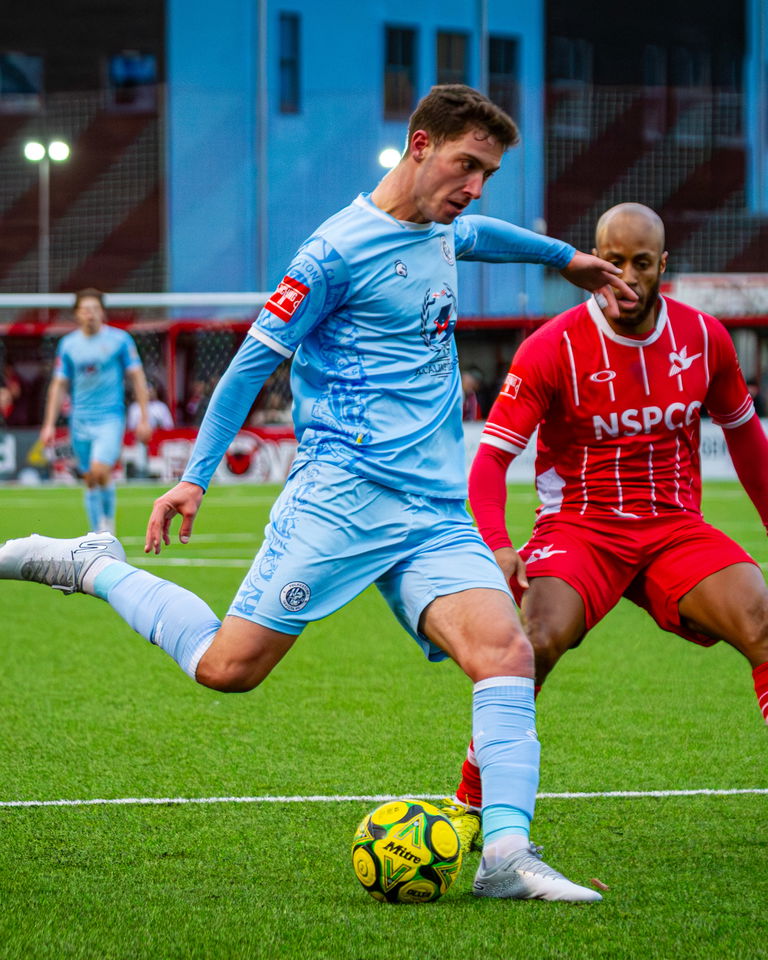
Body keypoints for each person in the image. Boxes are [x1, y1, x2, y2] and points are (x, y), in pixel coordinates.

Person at [0, 85, 636, 902]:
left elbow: (476, 235)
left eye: (488, 171)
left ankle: (506, 855)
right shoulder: (333, 252)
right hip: (339, 501)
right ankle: (91, 564)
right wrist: (192, 477)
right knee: (227, 669)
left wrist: (566, 260)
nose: (476, 185)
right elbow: (251, 365)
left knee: (506, 653)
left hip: (431, 511)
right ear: (419, 144)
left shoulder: (442, 228)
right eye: (467, 164)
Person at [448, 202, 768, 816]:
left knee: (761, 621)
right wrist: (497, 542)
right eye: (613, 261)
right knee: (532, 641)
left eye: (640, 263)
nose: (625, 276)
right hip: (580, 528)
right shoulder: (551, 347)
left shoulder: (705, 338)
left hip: (674, 529)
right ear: (595, 260)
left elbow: (746, 438)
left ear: (662, 265)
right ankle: (468, 805)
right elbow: (488, 463)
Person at [38, 289, 152, 533]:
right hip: (80, 419)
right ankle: (96, 531)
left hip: (110, 416)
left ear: (103, 312)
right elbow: (59, 385)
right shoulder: (68, 345)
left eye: (95, 309)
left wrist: (144, 416)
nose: (90, 314)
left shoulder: (120, 340)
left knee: (100, 469)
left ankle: (107, 526)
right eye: (85, 310)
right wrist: (48, 424)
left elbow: (137, 377)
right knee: (90, 477)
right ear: (77, 314)